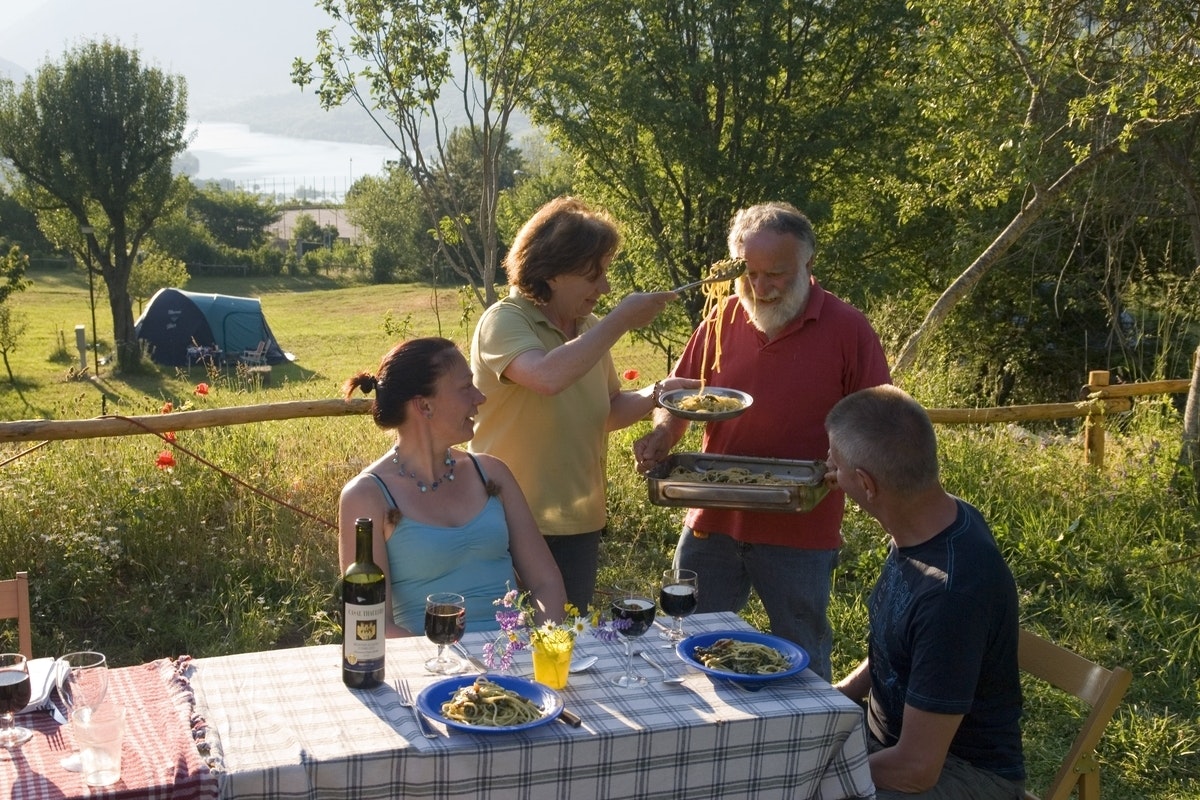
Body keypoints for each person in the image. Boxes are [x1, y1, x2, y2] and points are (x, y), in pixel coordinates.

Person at [633, 201, 890, 681]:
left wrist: (846, 464)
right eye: (749, 274)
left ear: (808, 264)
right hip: (713, 516)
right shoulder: (721, 318)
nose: (760, 287)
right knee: (689, 640)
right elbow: (681, 394)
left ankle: (812, 726)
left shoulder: (847, 328)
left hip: (801, 523)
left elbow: (876, 417)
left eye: (776, 274)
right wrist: (664, 434)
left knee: (801, 647)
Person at [470, 196, 692, 613]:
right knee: (505, 638)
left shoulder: (588, 328)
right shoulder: (505, 320)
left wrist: (660, 393)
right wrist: (621, 320)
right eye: (594, 275)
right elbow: (546, 377)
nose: (604, 288)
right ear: (552, 273)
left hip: (578, 522)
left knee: (568, 638)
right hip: (509, 521)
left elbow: (608, 409)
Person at [825, 385, 1025, 798]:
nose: (829, 469)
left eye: (836, 463)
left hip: (960, 773)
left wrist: (815, 772)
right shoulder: (929, 519)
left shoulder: (950, 595)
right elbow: (903, 644)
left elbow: (916, 770)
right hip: (887, 744)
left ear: (866, 484)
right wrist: (838, 696)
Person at [339, 337, 568, 636]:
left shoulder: (492, 474)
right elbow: (371, 625)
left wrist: (543, 645)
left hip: (515, 655)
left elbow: (546, 583)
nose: (480, 397)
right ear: (425, 405)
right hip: (425, 660)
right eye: (465, 387)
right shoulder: (366, 496)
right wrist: (446, 660)